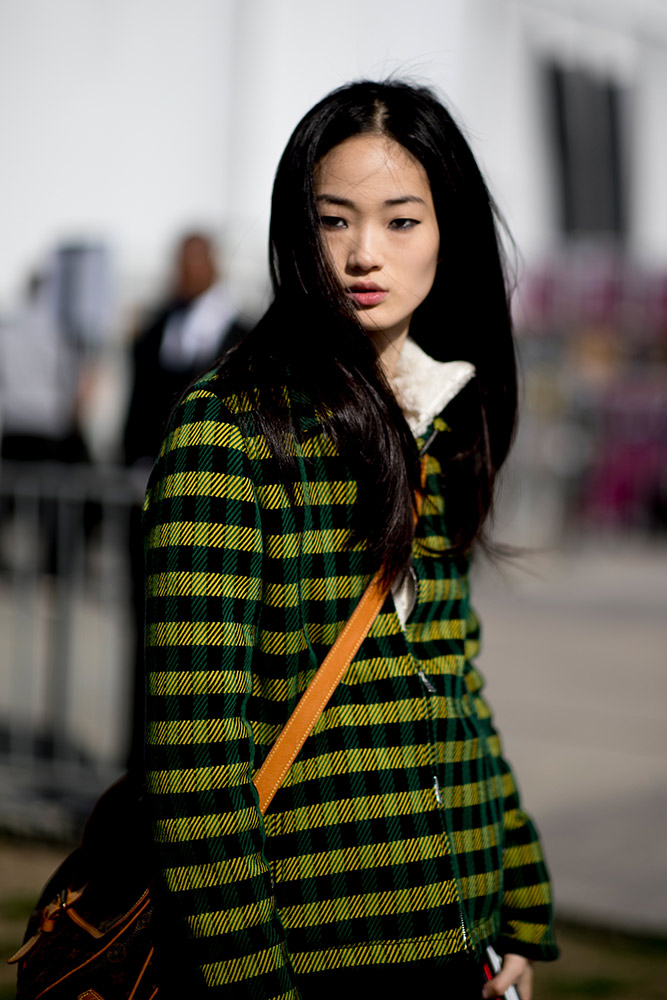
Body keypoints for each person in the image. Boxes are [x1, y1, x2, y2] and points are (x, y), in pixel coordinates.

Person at [142, 80, 558, 999]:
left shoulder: (441, 415)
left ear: (447, 233)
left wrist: (515, 921)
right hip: (315, 959)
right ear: (299, 233)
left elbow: (457, 689)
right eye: (334, 221)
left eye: (400, 221)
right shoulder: (231, 431)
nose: (364, 254)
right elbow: (194, 762)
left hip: (463, 949)